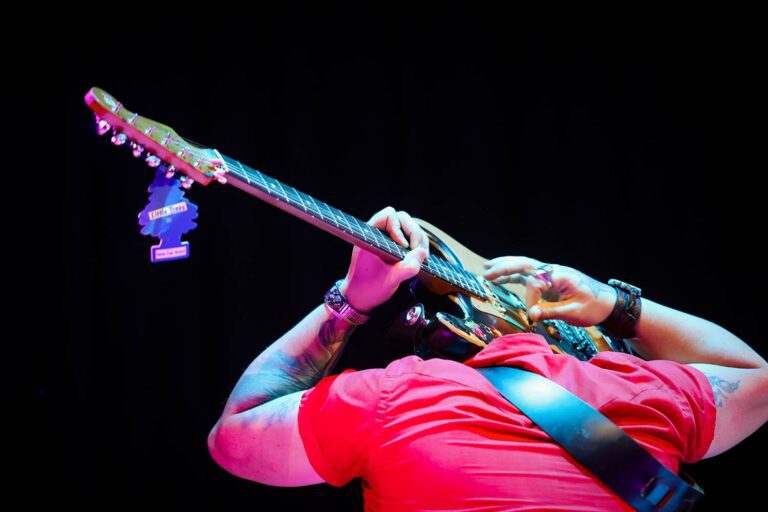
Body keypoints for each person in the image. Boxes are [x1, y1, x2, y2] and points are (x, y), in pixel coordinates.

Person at [207, 206, 768, 511]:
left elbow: (234, 434)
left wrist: (349, 303)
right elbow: (756, 377)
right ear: (566, 332)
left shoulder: (392, 399)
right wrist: (614, 305)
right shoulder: (641, 388)